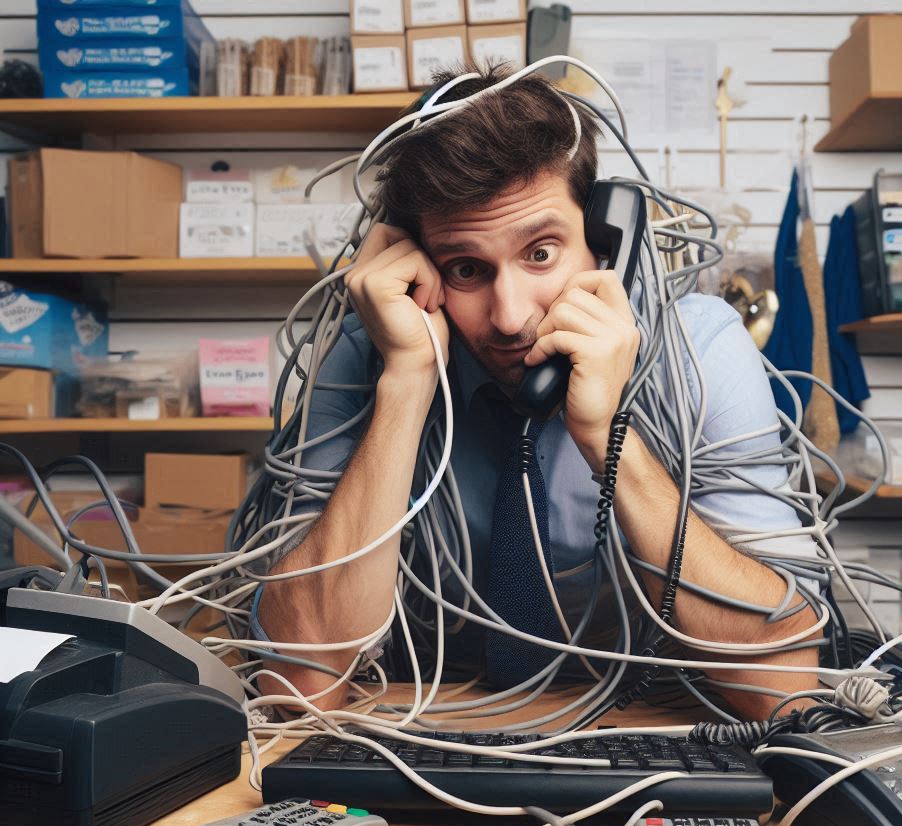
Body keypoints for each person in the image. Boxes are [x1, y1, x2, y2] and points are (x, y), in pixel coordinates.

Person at [255, 63, 821, 720]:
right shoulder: (368, 354)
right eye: (466, 268)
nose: (511, 316)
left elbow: (782, 686)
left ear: (607, 239)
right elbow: (301, 686)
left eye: (541, 254)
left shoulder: (698, 348)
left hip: (642, 726)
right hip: (427, 724)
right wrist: (405, 382)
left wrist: (609, 438)